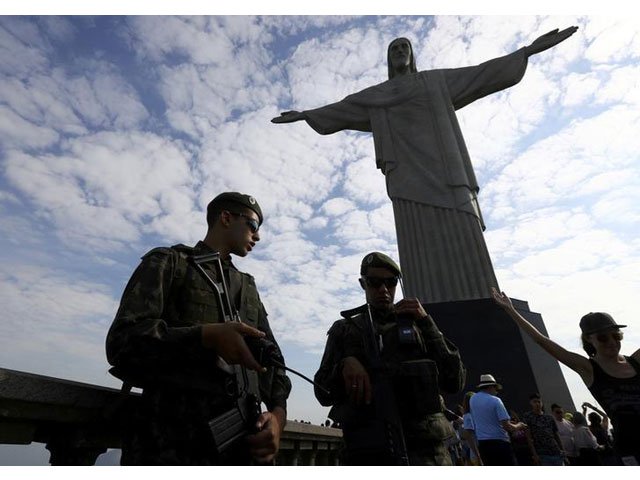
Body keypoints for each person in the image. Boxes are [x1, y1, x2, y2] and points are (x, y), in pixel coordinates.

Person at [272, 28, 578, 304]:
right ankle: (427, 300)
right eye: (395, 49)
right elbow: (343, 108)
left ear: (412, 55)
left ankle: (482, 296)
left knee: (462, 225)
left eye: (405, 47)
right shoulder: (376, 96)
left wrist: (526, 52)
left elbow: (480, 74)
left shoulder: (434, 81)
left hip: (446, 171)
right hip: (407, 176)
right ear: (389, 60)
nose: (401, 52)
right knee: (417, 237)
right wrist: (305, 114)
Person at [106, 192, 292, 465]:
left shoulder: (247, 287)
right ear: (226, 218)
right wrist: (204, 337)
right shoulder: (170, 262)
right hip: (172, 444)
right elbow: (123, 343)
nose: (258, 236)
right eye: (253, 225)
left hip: (243, 448)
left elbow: (273, 363)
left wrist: (277, 417)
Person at [314, 252, 465, 465]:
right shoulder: (346, 330)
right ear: (363, 284)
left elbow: (454, 380)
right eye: (374, 282)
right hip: (368, 452)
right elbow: (322, 392)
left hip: (427, 455)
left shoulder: (419, 325)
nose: (383, 290)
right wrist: (343, 366)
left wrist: (426, 322)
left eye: (391, 282)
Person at [492, 288, 640, 465]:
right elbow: (541, 340)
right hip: (631, 449)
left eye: (616, 336)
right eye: (603, 338)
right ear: (589, 340)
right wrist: (511, 310)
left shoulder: (636, 361)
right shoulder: (589, 368)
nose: (612, 342)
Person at [469, 374, 527, 465]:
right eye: (496, 388)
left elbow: (485, 418)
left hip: (483, 444)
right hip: (500, 444)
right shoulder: (495, 400)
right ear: (491, 386)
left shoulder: (473, 399)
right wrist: (519, 425)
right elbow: (507, 426)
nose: (497, 391)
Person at [522, 393, 564, 465]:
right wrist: (534, 454)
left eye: (539, 402)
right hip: (542, 454)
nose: (537, 404)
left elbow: (556, 434)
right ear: (531, 403)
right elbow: (529, 437)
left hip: (556, 451)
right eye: (535, 402)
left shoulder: (549, 417)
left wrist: (562, 450)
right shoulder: (527, 417)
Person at [461, 392, 483, 465]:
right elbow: (468, 436)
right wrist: (477, 455)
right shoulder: (468, 416)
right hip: (476, 454)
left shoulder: (475, 415)